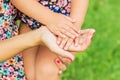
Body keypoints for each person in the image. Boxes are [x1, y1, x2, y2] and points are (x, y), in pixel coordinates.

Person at [10, 0, 94, 80]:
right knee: (29, 74)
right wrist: (50, 18)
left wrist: (73, 29)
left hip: (61, 24)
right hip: (30, 19)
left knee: (47, 71)